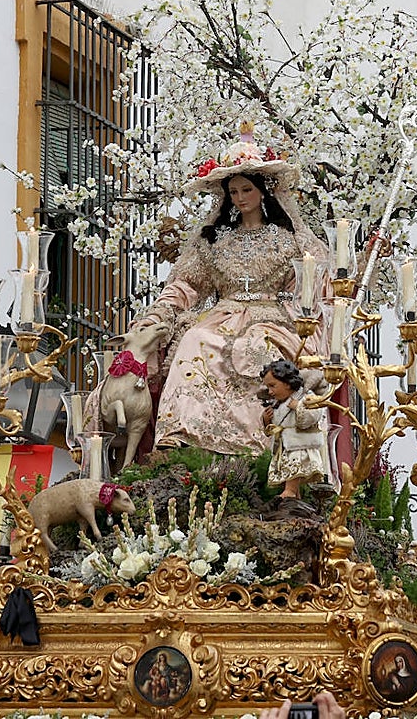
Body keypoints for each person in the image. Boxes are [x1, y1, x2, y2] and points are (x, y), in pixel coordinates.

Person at [134, 126, 328, 455]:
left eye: (246, 189)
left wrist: (303, 320)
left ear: (264, 190)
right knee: (194, 340)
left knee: (261, 350)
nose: (239, 198)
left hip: (272, 321)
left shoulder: (290, 239)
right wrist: (159, 313)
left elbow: (309, 286)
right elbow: (186, 284)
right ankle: (183, 435)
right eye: (234, 191)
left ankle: (263, 446)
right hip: (221, 315)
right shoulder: (216, 240)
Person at [261, 359, 329, 501]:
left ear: (287, 383)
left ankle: (290, 491)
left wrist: (299, 407)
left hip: (299, 443)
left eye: (273, 386)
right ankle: (295, 495)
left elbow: (315, 414)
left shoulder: (304, 396)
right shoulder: (278, 403)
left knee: (294, 468)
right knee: (286, 469)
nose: (270, 391)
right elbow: (275, 426)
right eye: (268, 388)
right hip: (284, 444)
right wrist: (267, 420)